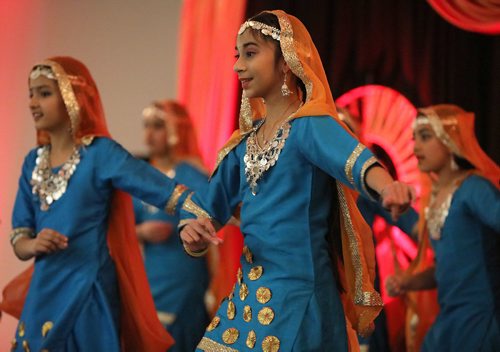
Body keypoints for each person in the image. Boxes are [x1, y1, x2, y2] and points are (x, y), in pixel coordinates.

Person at [179, 10, 414, 351]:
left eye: (250, 53)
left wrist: (387, 185)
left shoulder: (308, 127)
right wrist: (193, 233)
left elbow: (355, 161)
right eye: (236, 55)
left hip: (300, 300)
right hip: (248, 301)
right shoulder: (243, 145)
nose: (237, 66)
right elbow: (205, 210)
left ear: (286, 60)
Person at [0, 57, 190, 351]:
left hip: (89, 290)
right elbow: (20, 236)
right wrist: (34, 244)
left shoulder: (99, 154)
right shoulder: (32, 163)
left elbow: (161, 190)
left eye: (44, 93)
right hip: (45, 291)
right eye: (31, 93)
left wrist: (207, 209)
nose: (33, 103)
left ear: (72, 98)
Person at [385, 105, 500, 351]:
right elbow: (448, 268)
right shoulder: (435, 199)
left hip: (480, 322)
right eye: (414, 139)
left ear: (451, 139)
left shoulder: (474, 189)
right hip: (450, 321)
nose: (416, 148)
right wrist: (409, 282)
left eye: (425, 137)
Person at [133, 100, 210, 351]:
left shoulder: (194, 176)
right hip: (148, 279)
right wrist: (142, 232)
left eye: (158, 126)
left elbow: (215, 228)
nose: (150, 134)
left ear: (176, 131)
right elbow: (119, 230)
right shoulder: (138, 178)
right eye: (147, 126)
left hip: (185, 278)